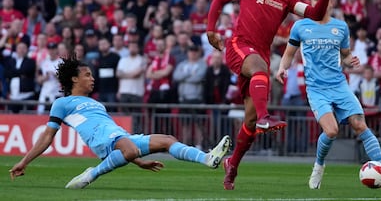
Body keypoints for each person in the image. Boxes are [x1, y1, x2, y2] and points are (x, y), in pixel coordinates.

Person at [206, 0, 334, 190]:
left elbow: (315, 13)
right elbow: (219, 0)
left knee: (250, 120)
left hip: (260, 55)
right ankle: (266, 117)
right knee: (260, 69)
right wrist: (211, 29)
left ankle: (232, 165)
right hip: (239, 45)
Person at [9, 55, 232, 189]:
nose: (92, 78)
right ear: (74, 79)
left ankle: (208, 158)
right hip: (101, 139)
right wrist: (24, 161)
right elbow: (48, 136)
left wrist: (139, 161)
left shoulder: (96, 103)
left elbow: (125, 148)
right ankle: (91, 174)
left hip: (119, 137)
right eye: (87, 75)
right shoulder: (63, 103)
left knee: (167, 140)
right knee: (129, 148)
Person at [275, 0, 381, 192]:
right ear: (310, 3)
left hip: (339, 85)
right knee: (331, 130)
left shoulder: (340, 27)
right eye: (314, 0)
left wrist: (351, 60)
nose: (318, 3)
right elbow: (289, 53)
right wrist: (281, 68)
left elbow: (345, 54)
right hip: (316, 88)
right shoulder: (300, 26)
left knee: (360, 125)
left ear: (331, 1)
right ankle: (319, 165)